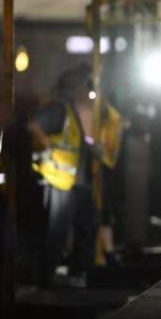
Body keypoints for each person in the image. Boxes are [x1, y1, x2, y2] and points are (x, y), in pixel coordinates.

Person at [28, 64, 123, 285]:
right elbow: (34, 127)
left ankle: (78, 271)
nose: (90, 90)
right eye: (86, 84)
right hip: (59, 180)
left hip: (76, 181)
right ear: (75, 86)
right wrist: (49, 150)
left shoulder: (71, 110)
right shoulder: (59, 108)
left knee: (88, 222)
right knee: (58, 231)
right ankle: (47, 276)